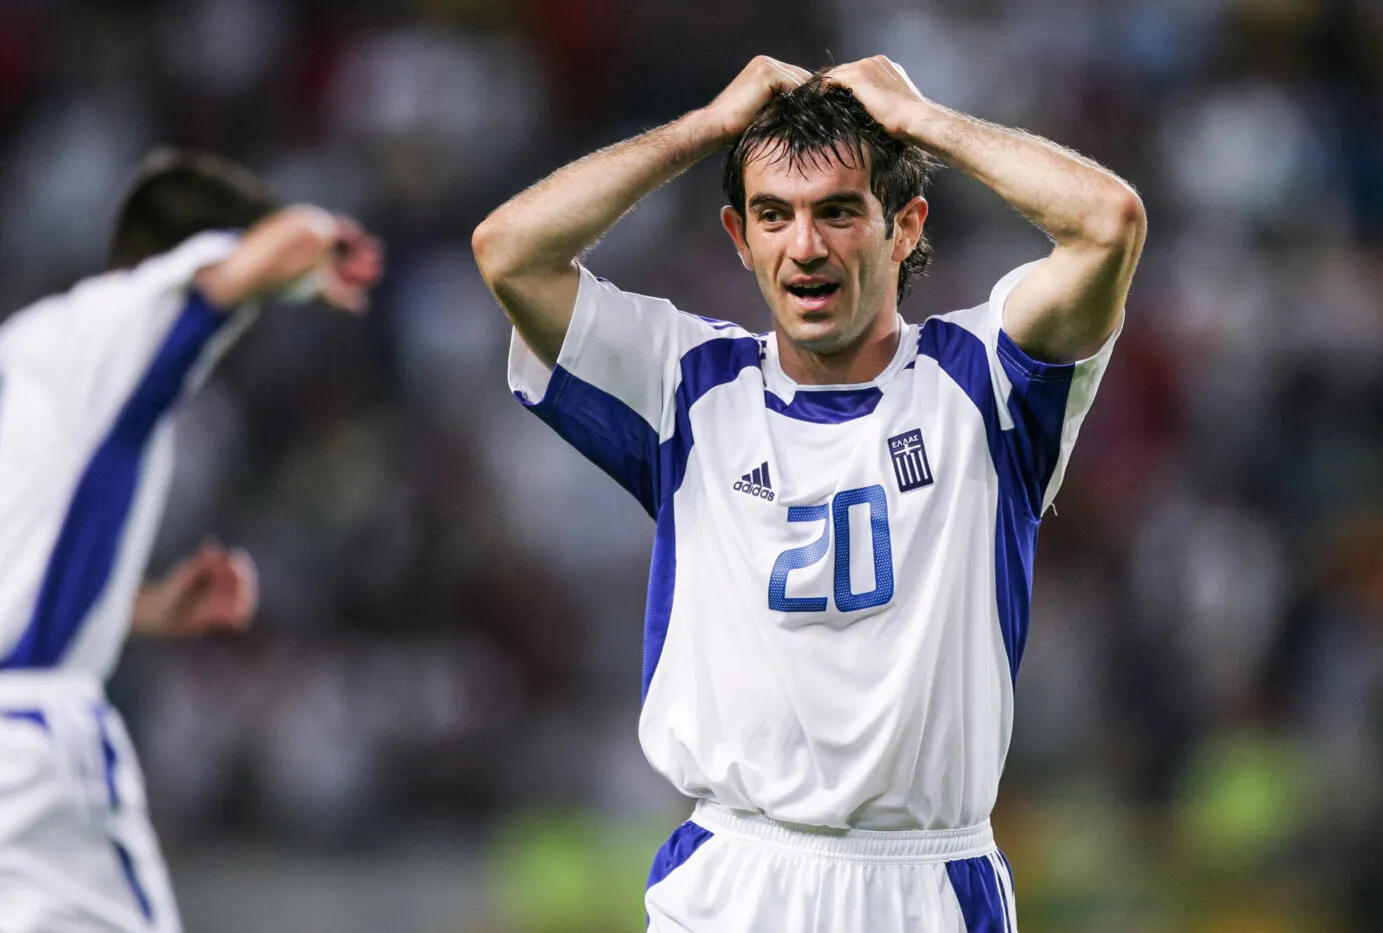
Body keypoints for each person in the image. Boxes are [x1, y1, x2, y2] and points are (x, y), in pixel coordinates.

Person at [474, 54, 1144, 931]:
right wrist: (706, 127)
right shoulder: (686, 385)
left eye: (838, 211)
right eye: (773, 214)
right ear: (739, 238)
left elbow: (1109, 221)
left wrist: (923, 118)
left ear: (904, 228)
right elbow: (509, 251)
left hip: (927, 884)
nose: (805, 245)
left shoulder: (985, 382)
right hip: (734, 881)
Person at [0, 150, 383, 933]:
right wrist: (317, 245)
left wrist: (135, 607)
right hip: (30, 751)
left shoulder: (27, 352)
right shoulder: (134, 314)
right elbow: (255, 257)